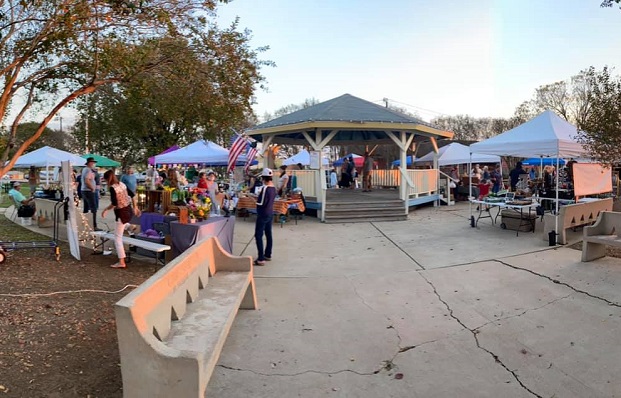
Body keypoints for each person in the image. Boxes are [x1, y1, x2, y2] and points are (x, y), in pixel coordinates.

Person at [101, 170, 140, 268]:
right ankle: (130, 226)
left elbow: (114, 203)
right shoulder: (122, 184)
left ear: (107, 179)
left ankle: (121, 261)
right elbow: (133, 195)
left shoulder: (113, 188)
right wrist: (135, 207)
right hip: (128, 210)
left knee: (117, 238)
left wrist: (106, 209)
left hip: (121, 213)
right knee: (122, 224)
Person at [254, 168, 276, 266]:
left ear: (263, 178)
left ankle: (261, 258)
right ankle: (268, 254)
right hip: (270, 212)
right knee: (268, 234)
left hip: (263, 213)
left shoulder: (265, 188)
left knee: (258, 235)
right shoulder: (273, 188)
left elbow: (261, 202)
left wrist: (252, 198)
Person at [81, 157, 101, 230]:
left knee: (86, 208)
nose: (93, 164)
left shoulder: (85, 169)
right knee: (93, 208)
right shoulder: (88, 170)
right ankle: (94, 225)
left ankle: (85, 223)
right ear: (89, 163)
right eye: (92, 162)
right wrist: (92, 188)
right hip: (88, 191)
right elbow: (87, 180)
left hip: (85, 190)